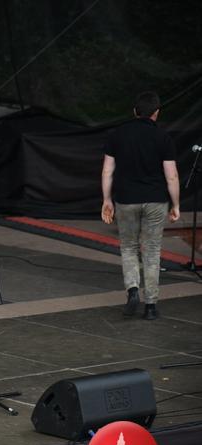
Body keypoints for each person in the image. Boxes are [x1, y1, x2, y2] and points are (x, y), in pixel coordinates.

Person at [101, 91, 180, 320]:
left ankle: (133, 290)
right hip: (156, 199)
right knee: (152, 250)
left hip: (126, 199)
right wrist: (175, 204)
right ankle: (151, 306)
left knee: (128, 247)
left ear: (135, 111)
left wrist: (106, 199)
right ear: (156, 113)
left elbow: (107, 170)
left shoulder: (117, 134)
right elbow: (172, 176)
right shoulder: (163, 137)